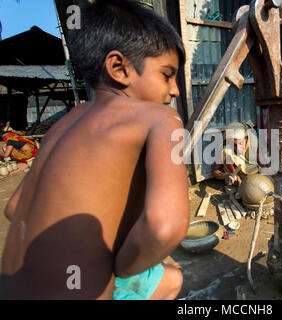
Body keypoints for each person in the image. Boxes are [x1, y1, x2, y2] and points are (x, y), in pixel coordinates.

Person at [0, 0, 189, 300]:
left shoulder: (65, 123)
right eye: (167, 74)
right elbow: (164, 227)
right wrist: (120, 268)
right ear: (118, 68)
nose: (175, 89)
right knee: (167, 278)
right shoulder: (162, 118)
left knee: (167, 278)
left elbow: (14, 208)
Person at [212, 122, 259, 186]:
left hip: (254, 174)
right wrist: (226, 175)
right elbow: (215, 171)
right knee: (226, 151)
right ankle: (236, 176)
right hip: (235, 176)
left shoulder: (253, 143)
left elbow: (264, 165)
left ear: (246, 139)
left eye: (240, 144)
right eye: (234, 145)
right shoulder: (225, 148)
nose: (238, 149)